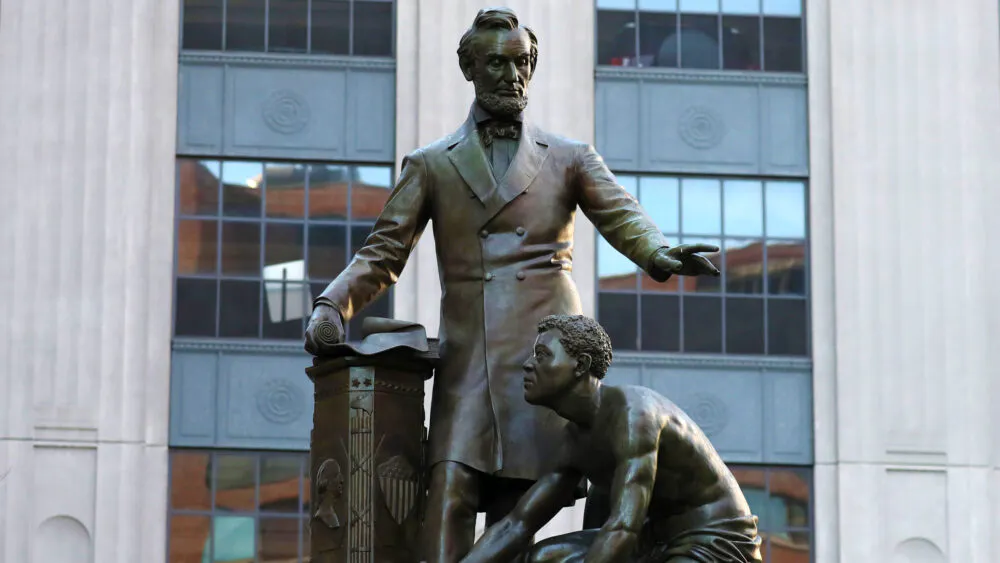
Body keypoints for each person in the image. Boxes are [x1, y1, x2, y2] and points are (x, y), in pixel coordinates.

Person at [303, 7, 720, 562]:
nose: (512, 75)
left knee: (522, 503)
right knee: (449, 488)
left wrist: (659, 253)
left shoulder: (569, 157)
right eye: (497, 64)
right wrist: (333, 304)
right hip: (470, 353)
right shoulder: (431, 164)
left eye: (522, 63)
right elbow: (383, 252)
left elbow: (623, 216)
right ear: (470, 68)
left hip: (544, 352)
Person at [463, 315, 762, 563]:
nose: (528, 365)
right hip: (651, 539)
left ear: (581, 364)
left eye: (542, 355)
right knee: (544, 557)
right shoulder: (573, 441)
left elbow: (622, 527)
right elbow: (517, 524)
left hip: (714, 540)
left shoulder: (634, 416)